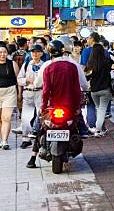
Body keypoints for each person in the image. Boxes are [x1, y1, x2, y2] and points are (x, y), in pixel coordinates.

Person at [27, 40, 83, 168]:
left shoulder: (48, 67)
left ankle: (32, 157)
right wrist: (77, 107)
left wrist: (43, 107)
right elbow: (77, 89)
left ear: (49, 52)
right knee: (80, 126)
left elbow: (46, 90)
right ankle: (85, 131)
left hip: (52, 106)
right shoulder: (73, 66)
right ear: (63, 51)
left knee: (40, 129)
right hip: (69, 106)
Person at [16, 44, 45, 149]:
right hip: (28, 92)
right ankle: (26, 139)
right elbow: (19, 79)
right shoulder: (26, 64)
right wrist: (26, 81)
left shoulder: (44, 65)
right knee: (26, 117)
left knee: (41, 116)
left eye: (37, 51)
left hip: (40, 92)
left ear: (41, 53)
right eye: (33, 52)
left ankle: (40, 138)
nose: (35, 54)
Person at [0, 44, 19, 150]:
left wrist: (20, 93)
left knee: (6, 118)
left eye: (4, 52)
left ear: (7, 53)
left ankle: (4, 141)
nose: (2, 54)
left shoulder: (12, 64)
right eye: (0, 52)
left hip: (9, 92)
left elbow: (18, 80)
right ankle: (2, 138)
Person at [86, 44, 114, 136]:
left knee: (98, 108)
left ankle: (100, 129)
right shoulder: (107, 61)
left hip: (94, 90)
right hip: (105, 89)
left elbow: (86, 74)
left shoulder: (90, 63)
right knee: (102, 109)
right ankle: (98, 130)